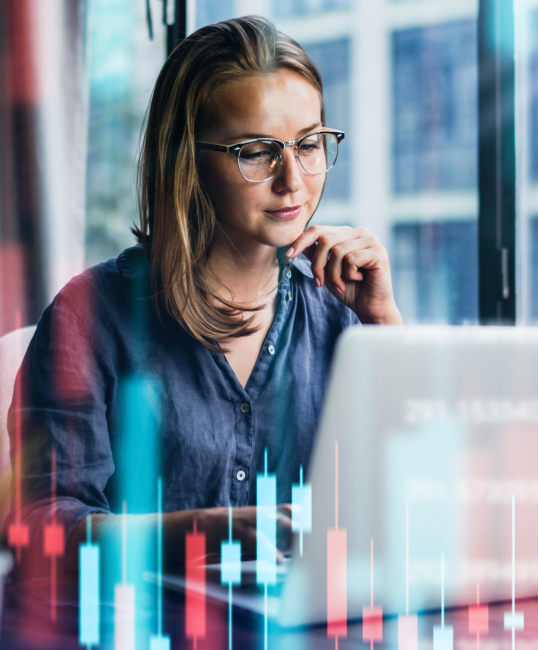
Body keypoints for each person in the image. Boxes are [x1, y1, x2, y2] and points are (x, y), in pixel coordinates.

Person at [6, 15, 402, 582]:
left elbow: (416, 504)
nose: (293, 179)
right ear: (186, 159)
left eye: (310, 144)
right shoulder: (90, 315)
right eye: (256, 151)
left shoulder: (341, 312)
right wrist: (202, 533)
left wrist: (385, 324)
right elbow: (42, 528)